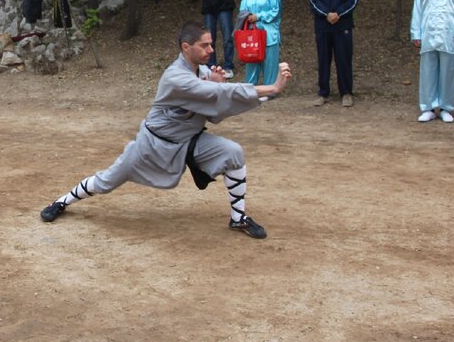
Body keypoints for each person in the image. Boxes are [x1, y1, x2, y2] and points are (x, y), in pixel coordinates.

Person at [38, 22, 293, 238]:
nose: (210, 50)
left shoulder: (202, 72)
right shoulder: (175, 77)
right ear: (186, 47)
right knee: (107, 180)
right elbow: (219, 93)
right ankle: (61, 202)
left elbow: (216, 106)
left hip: (188, 142)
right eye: (204, 45)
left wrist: (213, 83)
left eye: (211, 45)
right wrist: (271, 88)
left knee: (233, 152)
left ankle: (238, 218)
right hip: (151, 145)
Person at [309, 0, 359, 106]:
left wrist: (338, 13)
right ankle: (323, 93)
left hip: (342, 26)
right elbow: (313, 0)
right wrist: (327, 14)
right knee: (323, 60)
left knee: (343, 60)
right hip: (323, 27)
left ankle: (346, 93)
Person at [239, 0, 282, 88]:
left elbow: (276, 11)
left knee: (270, 62)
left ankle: (270, 89)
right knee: (251, 59)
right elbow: (242, 10)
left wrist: (258, 16)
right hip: (252, 32)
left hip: (269, 32)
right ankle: (249, 88)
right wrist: (247, 16)